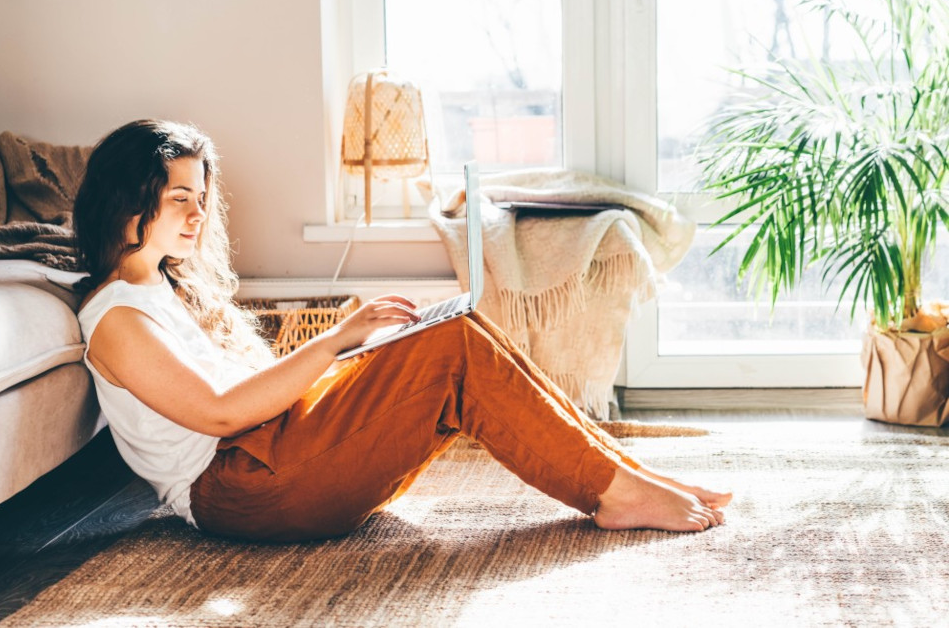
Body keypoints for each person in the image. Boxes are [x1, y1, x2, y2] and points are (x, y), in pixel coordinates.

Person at [73, 119, 731, 543]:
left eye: (200, 197)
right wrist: (335, 340)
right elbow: (219, 414)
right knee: (454, 348)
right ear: (128, 200)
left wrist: (360, 349)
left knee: (460, 328)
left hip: (272, 452)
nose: (195, 213)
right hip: (243, 488)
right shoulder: (118, 320)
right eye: (177, 196)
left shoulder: (159, 286)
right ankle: (615, 491)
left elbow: (247, 392)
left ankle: (621, 473)